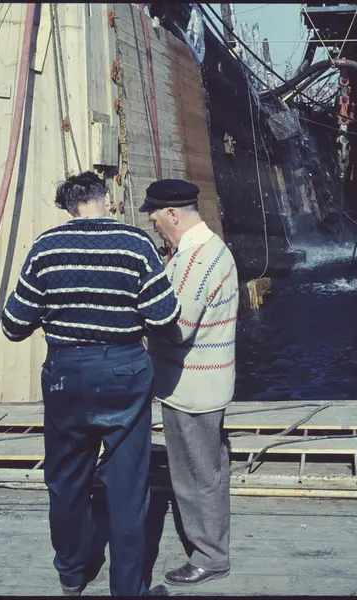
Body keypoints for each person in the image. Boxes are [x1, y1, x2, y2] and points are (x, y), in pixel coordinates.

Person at [1, 171, 180, 597]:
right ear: (107, 197)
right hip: (124, 370)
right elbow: (163, 316)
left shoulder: (45, 248)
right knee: (128, 486)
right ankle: (129, 589)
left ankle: (72, 573)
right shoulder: (135, 243)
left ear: (68, 207)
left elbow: (13, 325)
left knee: (66, 479)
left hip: (66, 374)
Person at [139, 179, 239, 586]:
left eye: (156, 219)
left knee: (196, 477)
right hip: (205, 383)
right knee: (208, 471)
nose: (156, 226)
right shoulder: (207, 250)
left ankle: (210, 558)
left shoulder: (198, 260)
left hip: (193, 389)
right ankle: (212, 550)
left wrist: (138, 323)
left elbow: (177, 327)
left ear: (173, 214)